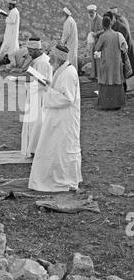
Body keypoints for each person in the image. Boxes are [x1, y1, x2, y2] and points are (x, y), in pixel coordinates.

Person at [28, 44, 82, 192]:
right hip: (57, 117)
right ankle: (52, 176)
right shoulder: (61, 70)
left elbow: (67, 98)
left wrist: (47, 90)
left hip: (65, 120)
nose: (49, 60)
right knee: (52, 147)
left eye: (52, 57)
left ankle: (64, 179)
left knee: (62, 148)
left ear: (58, 58)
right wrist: (47, 84)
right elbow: (58, 89)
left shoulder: (69, 73)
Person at [20, 38, 53, 158]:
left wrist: (27, 83)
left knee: (37, 124)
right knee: (33, 124)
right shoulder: (38, 60)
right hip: (35, 95)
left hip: (39, 97)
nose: (29, 53)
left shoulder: (42, 62)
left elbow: (44, 83)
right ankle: (32, 148)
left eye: (30, 51)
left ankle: (35, 150)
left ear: (36, 50)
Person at [94, 12, 128, 110]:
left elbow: (97, 48)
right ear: (111, 24)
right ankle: (117, 105)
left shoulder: (103, 36)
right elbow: (124, 47)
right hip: (117, 64)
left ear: (103, 25)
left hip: (107, 64)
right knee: (116, 82)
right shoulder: (118, 35)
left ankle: (107, 105)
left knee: (106, 83)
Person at [109, 7, 134, 84]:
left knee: (127, 69)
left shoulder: (121, 25)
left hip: (126, 50)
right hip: (126, 48)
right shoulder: (120, 20)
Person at [0, 0, 20, 67]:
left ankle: (3, 59)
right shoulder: (12, 11)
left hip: (11, 33)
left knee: (10, 46)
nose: (8, 6)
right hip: (10, 32)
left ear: (12, 5)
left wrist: (6, 18)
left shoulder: (14, 11)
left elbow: (12, 21)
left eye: (9, 5)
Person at [86, 5, 103, 80]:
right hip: (93, 42)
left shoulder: (100, 19)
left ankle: (99, 76)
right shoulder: (91, 19)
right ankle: (93, 75)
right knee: (93, 58)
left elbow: (103, 30)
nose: (90, 14)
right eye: (89, 12)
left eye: (92, 12)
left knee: (98, 59)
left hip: (99, 42)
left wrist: (96, 33)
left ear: (95, 12)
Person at [60, 7, 79, 71]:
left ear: (65, 14)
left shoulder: (68, 21)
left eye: (62, 14)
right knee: (73, 57)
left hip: (71, 44)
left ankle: (71, 73)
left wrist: (62, 43)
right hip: (72, 43)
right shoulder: (70, 20)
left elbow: (66, 33)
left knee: (70, 59)